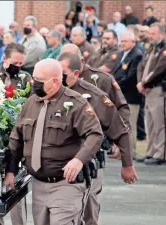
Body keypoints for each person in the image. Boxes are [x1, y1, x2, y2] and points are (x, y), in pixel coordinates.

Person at [4, 58, 103, 225]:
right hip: (38, 184)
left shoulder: (75, 103)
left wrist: (79, 160)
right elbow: (16, 139)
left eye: (39, 81)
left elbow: (95, 134)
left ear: (55, 81)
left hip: (66, 184)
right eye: (34, 79)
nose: (34, 84)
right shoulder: (31, 103)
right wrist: (10, 172)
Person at [57, 52, 138, 225]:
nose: (58, 78)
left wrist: (127, 163)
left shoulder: (94, 93)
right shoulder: (51, 92)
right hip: (58, 164)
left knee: (89, 208)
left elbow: (119, 125)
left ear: (76, 72)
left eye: (62, 73)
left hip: (89, 162)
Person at [0, 42, 31, 225]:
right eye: (14, 63)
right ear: (4, 59)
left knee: (17, 188)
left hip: (17, 139)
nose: (17, 67)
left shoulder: (26, 78)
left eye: (21, 63)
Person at [60, 44, 131, 130]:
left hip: (99, 134)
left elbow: (121, 108)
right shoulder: (57, 81)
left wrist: (119, 137)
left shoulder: (102, 79)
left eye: (71, 61)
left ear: (81, 61)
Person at [136, 23, 166, 165]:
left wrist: (145, 83)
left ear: (161, 34)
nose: (150, 36)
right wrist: (140, 82)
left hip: (157, 89)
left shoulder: (163, 49)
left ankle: (160, 154)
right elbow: (141, 66)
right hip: (146, 90)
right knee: (150, 123)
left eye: (153, 34)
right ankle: (150, 152)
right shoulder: (150, 49)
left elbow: (160, 69)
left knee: (159, 123)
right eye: (150, 33)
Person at [111, 31, 143, 159]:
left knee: (130, 125)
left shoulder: (137, 55)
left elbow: (131, 77)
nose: (123, 44)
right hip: (119, 95)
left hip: (130, 95)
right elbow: (116, 72)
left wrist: (115, 85)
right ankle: (121, 151)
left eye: (125, 41)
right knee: (120, 125)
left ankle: (130, 152)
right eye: (122, 41)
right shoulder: (120, 54)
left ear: (132, 41)